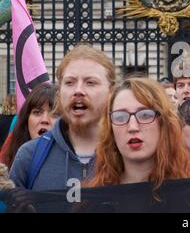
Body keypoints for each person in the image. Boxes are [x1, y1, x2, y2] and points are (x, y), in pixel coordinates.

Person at [9, 45, 116, 190]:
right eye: (70, 82)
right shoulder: (30, 155)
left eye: (90, 82)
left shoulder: (127, 154)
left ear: (111, 92)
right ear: (59, 94)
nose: (78, 91)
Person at [89, 77, 190, 187]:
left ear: (164, 123)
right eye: (121, 117)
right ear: (110, 127)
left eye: (145, 115)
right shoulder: (92, 201)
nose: (133, 127)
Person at [2, 83, 58, 169]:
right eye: (37, 112)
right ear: (26, 119)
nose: (45, 120)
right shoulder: (8, 163)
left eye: (54, 114)